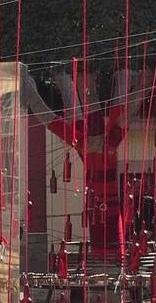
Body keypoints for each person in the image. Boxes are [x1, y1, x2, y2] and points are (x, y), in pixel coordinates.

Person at [21, 65, 145, 260]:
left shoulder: (105, 149)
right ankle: (60, 81)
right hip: (98, 154)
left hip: (96, 154)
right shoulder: (107, 147)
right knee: (71, 120)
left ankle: (66, 81)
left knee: (73, 120)